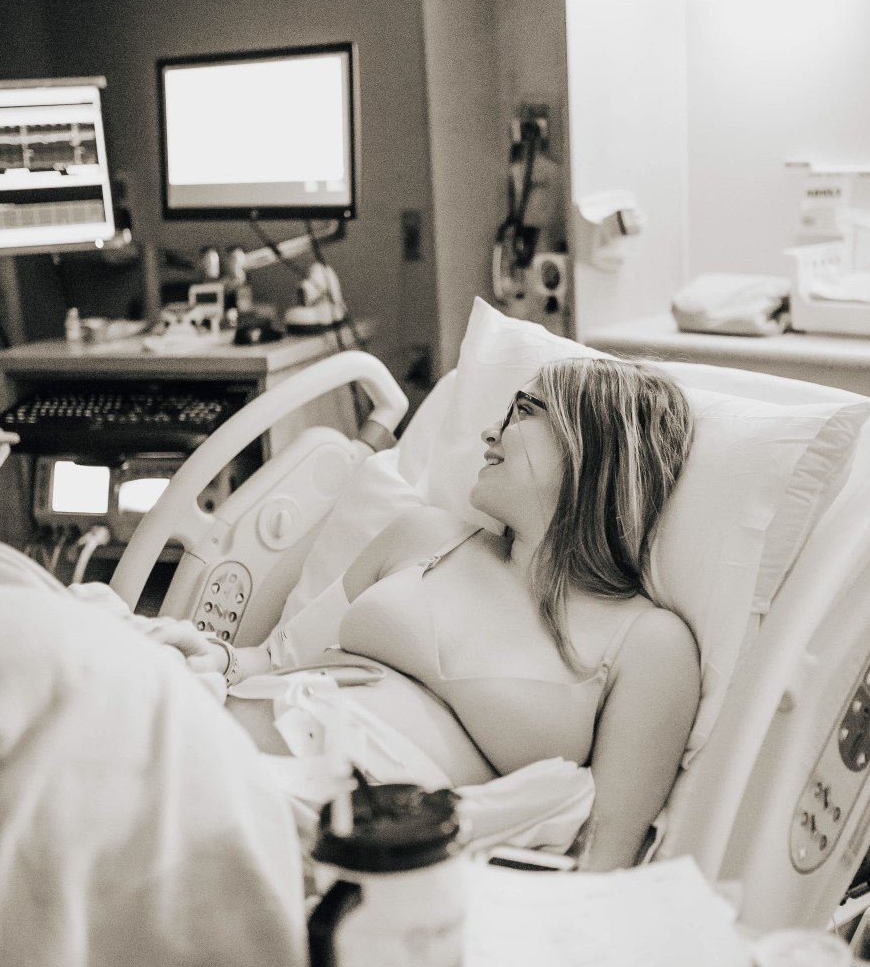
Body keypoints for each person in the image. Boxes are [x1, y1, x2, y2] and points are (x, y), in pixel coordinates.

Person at [190, 357, 702, 870]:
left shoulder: (649, 643)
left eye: (523, 411)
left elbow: (601, 856)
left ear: (590, 441)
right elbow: (276, 658)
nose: (490, 432)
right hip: (217, 735)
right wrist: (211, 657)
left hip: (344, 842)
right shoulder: (424, 536)